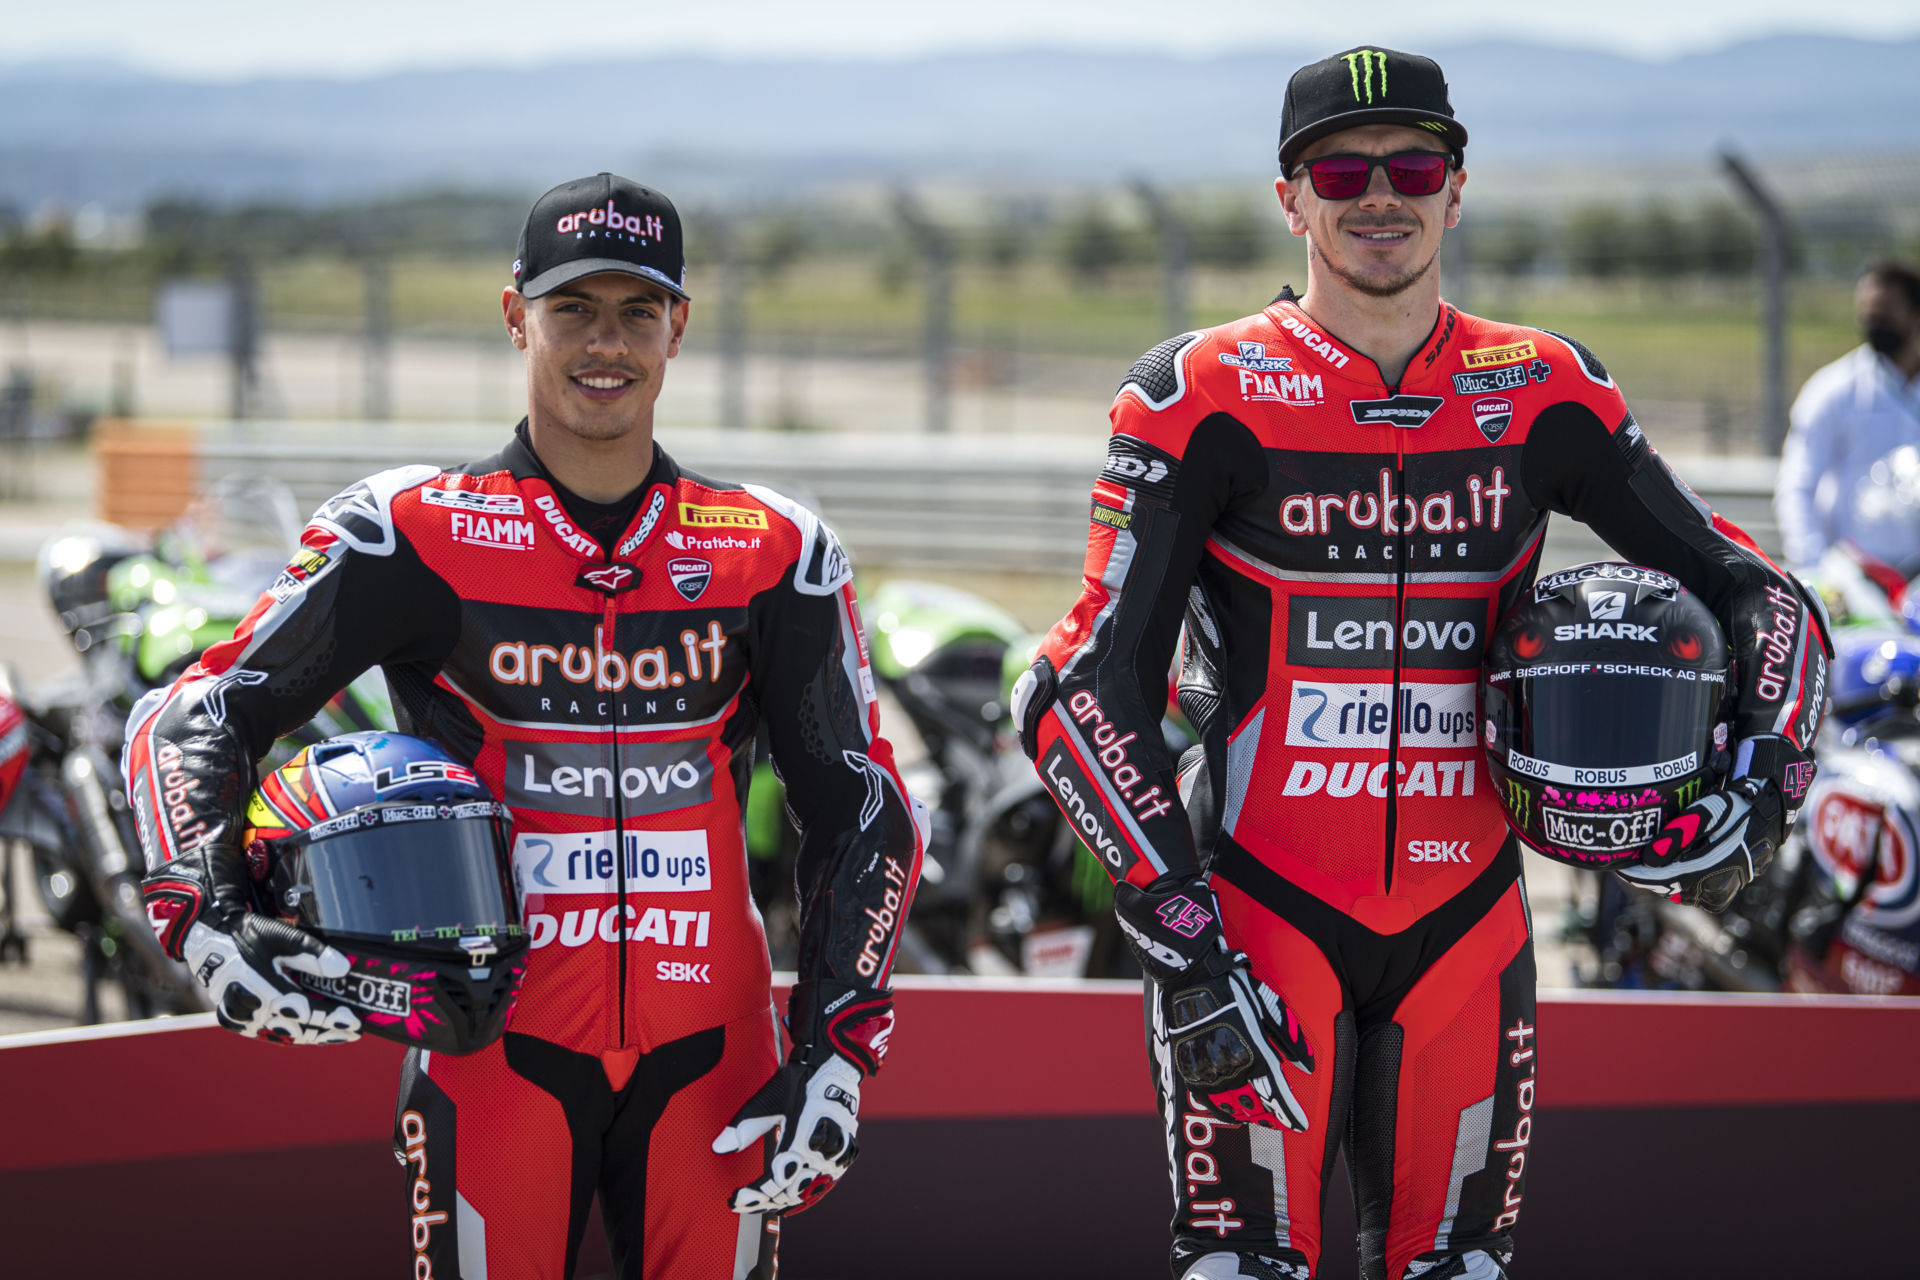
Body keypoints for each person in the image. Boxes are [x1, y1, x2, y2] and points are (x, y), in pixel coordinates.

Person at [1012, 47, 1829, 1280]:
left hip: (1470, 931)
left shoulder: (1547, 388)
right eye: (1342, 168)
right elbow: (1080, 690)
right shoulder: (1198, 395)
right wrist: (1184, 949)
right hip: (1254, 919)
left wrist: (1758, 793)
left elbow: (1759, 592)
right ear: (1290, 196)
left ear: (1457, 188)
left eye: (1414, 163)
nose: (1379, 193)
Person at [123, 172, 926, 1280]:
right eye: (573, 309)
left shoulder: (774, 549)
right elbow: (195, 710)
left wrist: (838, 1048)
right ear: (516, 317)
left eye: (637, 311)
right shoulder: (405, 530)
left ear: (678, 326)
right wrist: (201, 915)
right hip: (488, 1051)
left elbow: (863, 806)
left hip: (716, 1060)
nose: (607, 343)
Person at [1774, 260, 1920, 569]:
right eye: (1867, 310)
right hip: (1855, 579)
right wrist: (1818, 570)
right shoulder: (1833, 390)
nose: (1873, 320)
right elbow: (1797, 487)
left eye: (1885, 311)